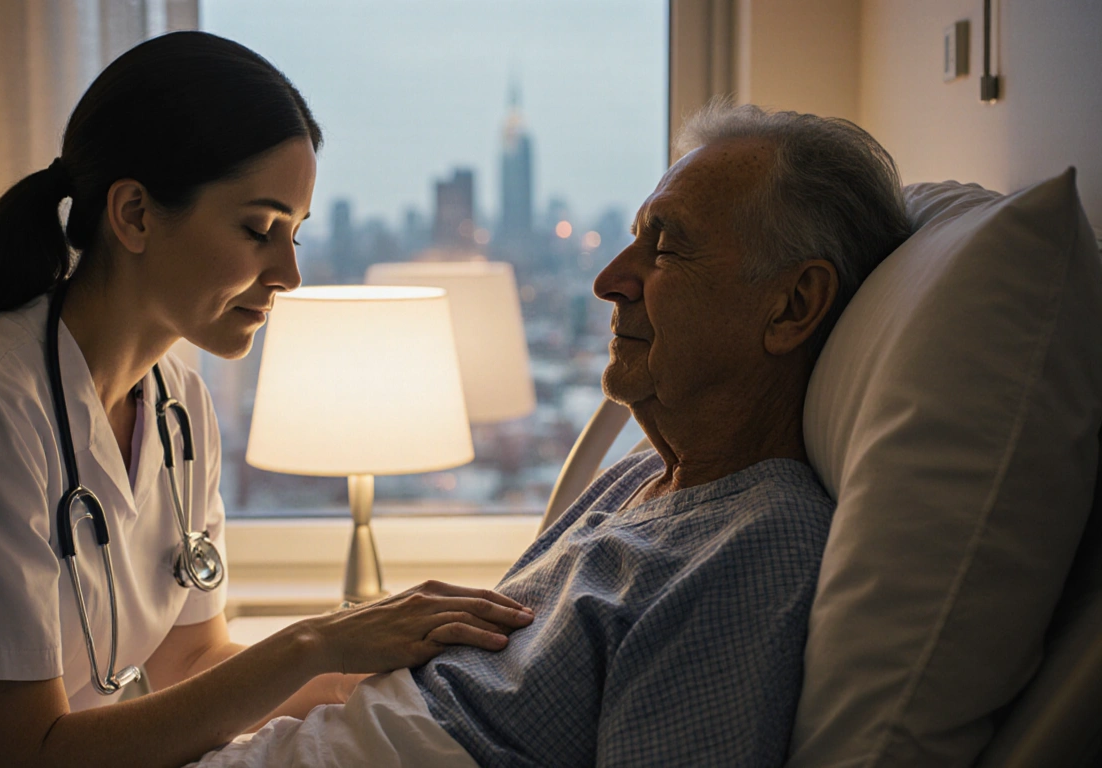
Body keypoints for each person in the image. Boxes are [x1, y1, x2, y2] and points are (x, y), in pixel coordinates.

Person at [0, 31, 535, 768]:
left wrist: (398, 685)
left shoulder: (179, 405)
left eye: (295, 232)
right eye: (260, 228)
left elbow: (191, 659)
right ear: (133, 214)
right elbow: (31, 755)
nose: (288, 274)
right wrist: (317, 642)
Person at [184, 102, 912, 767]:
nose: (607, 280)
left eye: (665, 250)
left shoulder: (755, 543)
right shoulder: (641, 476)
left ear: (793, 304)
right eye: (633, 240)